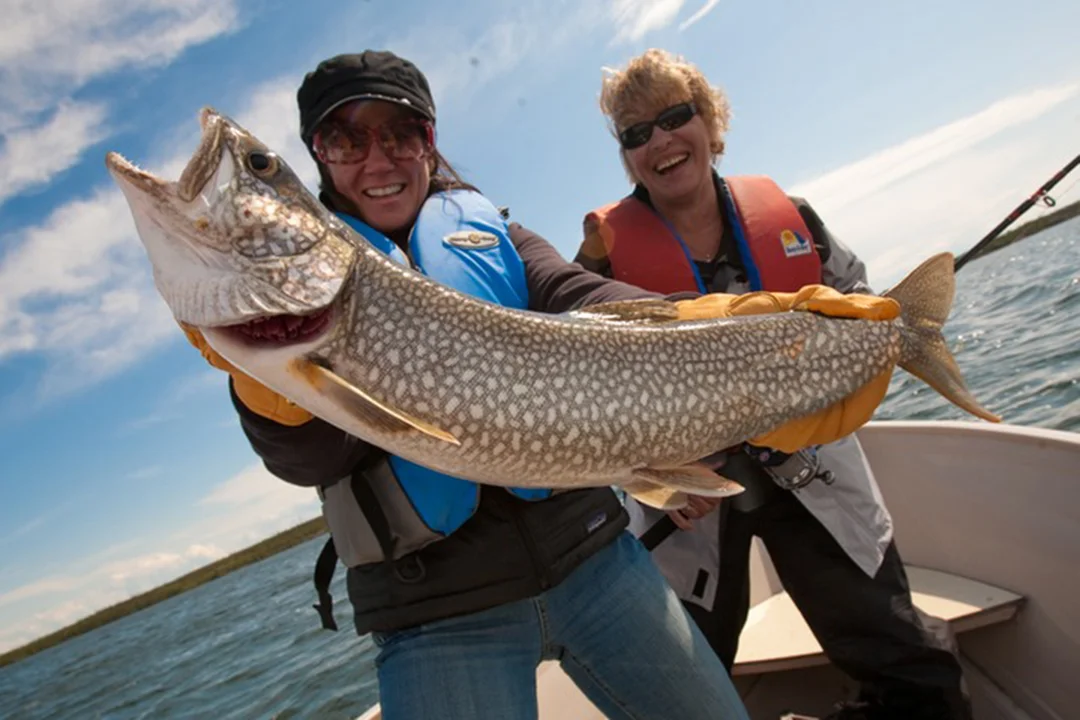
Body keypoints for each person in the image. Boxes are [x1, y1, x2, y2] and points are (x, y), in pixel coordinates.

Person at [179, 49, 753, 720]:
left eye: (401, 133)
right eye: (345, 138)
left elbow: (583, 296)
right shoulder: (303, 288)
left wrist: (716, 320)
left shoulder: (495, 233)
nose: (378, 159)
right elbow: (308, 460)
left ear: (430, 142)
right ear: (318, 156)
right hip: (436, 614)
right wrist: (270, 385)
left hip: (595, 558)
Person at [575, 49, 971, 720]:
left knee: (919, 676)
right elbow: (589, 394)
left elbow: (860, 306)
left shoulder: (797, 219)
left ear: (710, 121)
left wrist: (878, 341)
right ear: (626, 155)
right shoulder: (599, 260)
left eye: (675, 116)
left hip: (814, 474)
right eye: (636, 133)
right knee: (679, 699)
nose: (661, 141)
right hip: (687, 507)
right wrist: (652, 476)